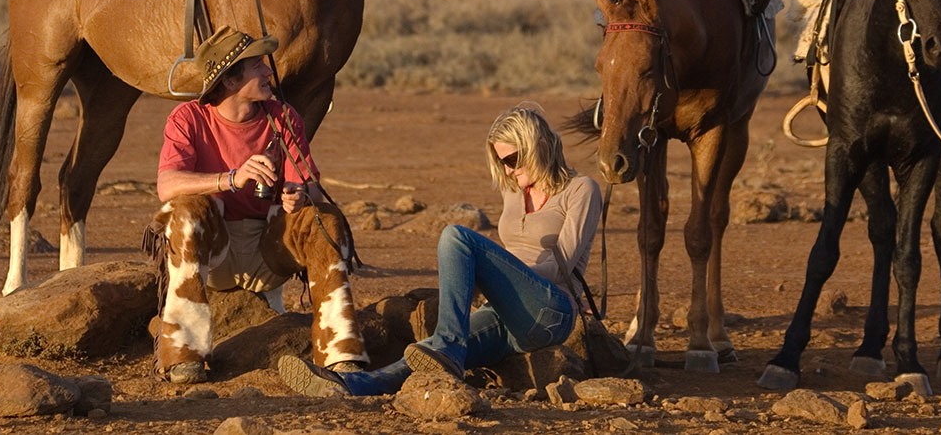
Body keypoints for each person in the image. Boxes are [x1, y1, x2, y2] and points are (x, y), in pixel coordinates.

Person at [275, 102, 603, 396]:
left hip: (551, 310)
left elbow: (561, 267)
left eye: (512, 159)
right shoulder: (514, 193)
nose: (506, 170)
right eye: (500, 161)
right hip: (506, 312)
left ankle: (449, 347)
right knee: (426, 352)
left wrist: (498, 275)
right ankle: (350, 384)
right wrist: (493, 283)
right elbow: (507, 260)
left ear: (539, 146)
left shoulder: (581, 190)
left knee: (455, 237)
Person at [149, 26, 367, 384]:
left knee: (324, 220)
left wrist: (298, 194)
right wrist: (230, 178)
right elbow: (166, 185)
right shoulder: (188, 119)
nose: (269, 71)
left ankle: (340, 356)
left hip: (270, 250)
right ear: (230, 79)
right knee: (182, 211)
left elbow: (311, 186)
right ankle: (183, 356)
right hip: (214, 254)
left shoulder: (282, 117)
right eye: (258, 67)